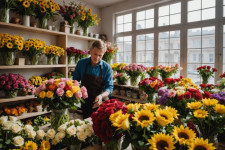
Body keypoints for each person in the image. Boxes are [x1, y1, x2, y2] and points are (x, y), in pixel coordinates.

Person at [73, 40, 113, 119]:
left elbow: (109, 87)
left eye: (100, 55)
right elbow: (75, 81)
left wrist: (101, 96)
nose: (97, 57)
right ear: (90, 50)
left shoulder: (106, 67)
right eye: (95, 54)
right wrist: (77, 93)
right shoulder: (81, 63)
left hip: (99, 101)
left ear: (103, 54)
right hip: (84, 101)